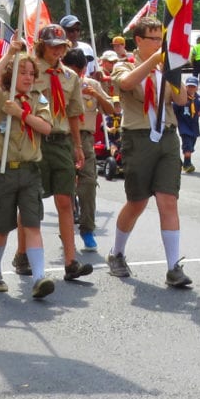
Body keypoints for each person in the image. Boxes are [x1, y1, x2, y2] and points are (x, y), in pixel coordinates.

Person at [104, 16, 192, 288]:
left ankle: (173, 267)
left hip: (166, 136)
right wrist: (154, 62)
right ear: (138, 40)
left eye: (161, 39)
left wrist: (173, 74)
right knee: (137, 201)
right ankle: (117, 253)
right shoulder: (123, 64)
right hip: (138, 136)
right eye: (154, 39)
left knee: (168, 200)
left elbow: (179, 100)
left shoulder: (165, 65)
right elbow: (127, 84)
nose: (158, 44)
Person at [12, 25, 91, 282]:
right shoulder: (29, 72)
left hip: (62, 142)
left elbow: (73, 114)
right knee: (31, 201)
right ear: (42, 45)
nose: (57, 50)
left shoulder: (70, 77)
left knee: (66, 200)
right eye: (53, 45)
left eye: (61, 46)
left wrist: (78, 146)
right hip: (36, 141)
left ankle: (71, 261)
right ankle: (22, 253)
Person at [0, 39, 56, 298]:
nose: (27, 77)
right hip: (5, 170)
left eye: (30, 73)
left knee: (32, 224)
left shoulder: (38, 99)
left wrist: (22, 114)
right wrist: (10, 53)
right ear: (12, 75)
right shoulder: (3, 95)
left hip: (29, 171)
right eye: (21, 72)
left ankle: (39, 277)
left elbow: (47, 128)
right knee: (1, 227)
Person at [62, 48, 114, 252]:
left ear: (84, 69)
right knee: (63, 188)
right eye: (71, 70)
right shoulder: (59, 85)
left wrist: (97, 96)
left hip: (85, 139)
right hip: (63, 138)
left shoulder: (91, 85)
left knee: (89, 183)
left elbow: (111, 109)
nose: (76, 74)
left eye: (79, 70)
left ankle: (87, 229)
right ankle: (65, 231)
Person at [176, 75, 200, 173]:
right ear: (186, 87)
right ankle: (187, 164)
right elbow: (175, 111)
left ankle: (183, 161)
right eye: (189, 86)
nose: (191, 88)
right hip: (184, 125)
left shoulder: (199, 99)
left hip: (194, 126)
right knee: (187, 144)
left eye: (193, 86)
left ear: (197, 87)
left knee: (191, 144)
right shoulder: (182, 98)